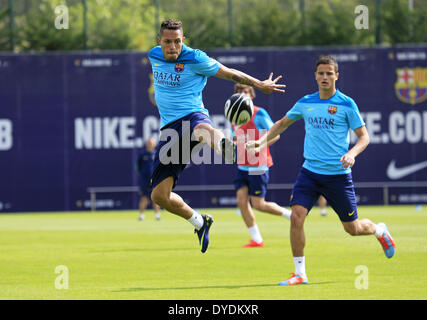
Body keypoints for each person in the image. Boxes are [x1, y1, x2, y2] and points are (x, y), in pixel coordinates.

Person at [246, 55, 395, 285]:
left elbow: (364, 137)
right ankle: (300, 273)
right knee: (296, 217)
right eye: (321, 73)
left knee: (352, 229)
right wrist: (261, 142)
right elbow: (282, 124)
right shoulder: (306, 102)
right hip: (310, 173)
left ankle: (379, 230)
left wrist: (351, 154)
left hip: (338, 176)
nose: (324, 77)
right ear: (315, 76)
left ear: (336, 75)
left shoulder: (347, 104)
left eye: (329, 73)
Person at [148, 19, 286, 253]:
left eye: (178, 42)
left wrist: (258, 84)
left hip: (193, 116)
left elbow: (230, 73)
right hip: (170, 131)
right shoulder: (154, 55)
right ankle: (200, 222)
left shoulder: (195, 58)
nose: (173, 47)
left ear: (184, 41)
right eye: (168, 42)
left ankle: (224, 145)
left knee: (202, 130)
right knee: (160, 196)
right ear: (159, 41)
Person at [231, 84, 291, 247]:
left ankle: (290, 215)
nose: (242, 94)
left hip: (258, 164)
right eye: (239, 92)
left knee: (259, 204)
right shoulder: (234, 116)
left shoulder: (259, 113)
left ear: (251, 95)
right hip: (242, 165)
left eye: (246, 91)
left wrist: (258, 145)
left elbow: (275, 134)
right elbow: (235, 139)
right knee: (241, 201)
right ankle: (256, 239)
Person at [137, 137, 161, 221]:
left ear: (154, 144)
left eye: (151, 143)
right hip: (144, 180)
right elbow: (138, 166)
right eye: (148, 143)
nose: (150, 144)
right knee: (144, 197)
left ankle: (157, 215)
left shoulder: (157, 154)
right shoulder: (142, 154)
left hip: (154, 180)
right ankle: (141, 215)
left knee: (156, 197)